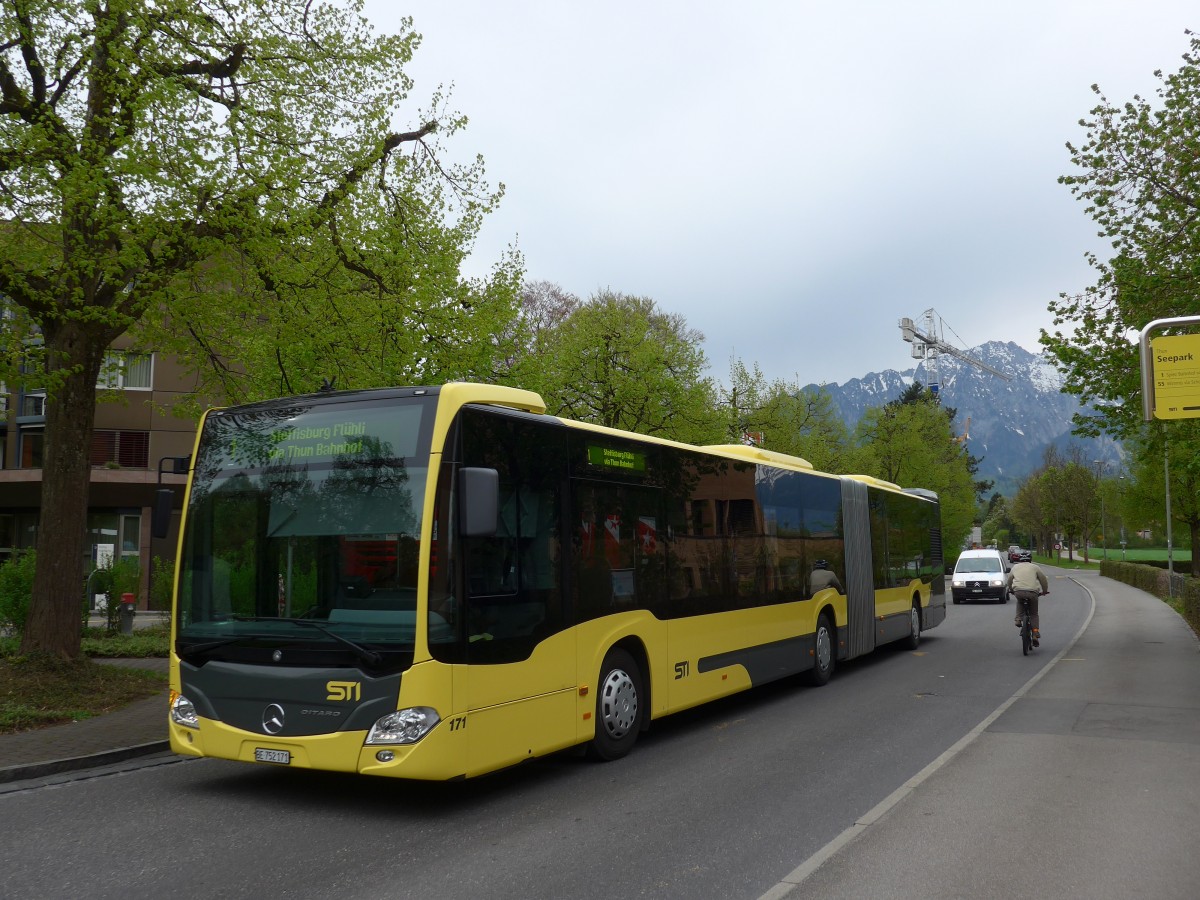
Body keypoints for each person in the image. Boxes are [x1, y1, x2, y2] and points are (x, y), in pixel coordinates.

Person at [1007, 558, 1049, 646]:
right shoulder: (1035, 567)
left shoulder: (1015, 567)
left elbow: (1009, 579)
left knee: (1020, 602)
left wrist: (1011, 590)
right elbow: (1043, 579)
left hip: (1019, 591)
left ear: (1020, 561)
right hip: (1032, 592)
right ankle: (1035, 633)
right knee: (1034, 614)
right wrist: (1044, 590)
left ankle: (1018, 619)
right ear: (1030, 561)